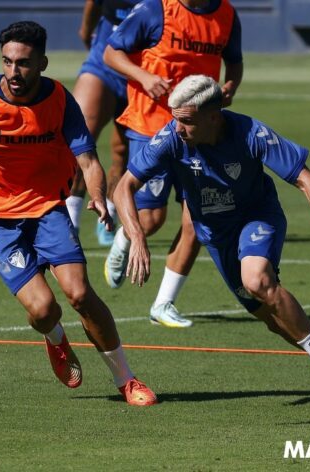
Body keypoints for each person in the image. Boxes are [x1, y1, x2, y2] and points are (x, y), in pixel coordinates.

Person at [0, 21, 156, 407]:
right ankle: (55, 337)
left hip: (46, 209)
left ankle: (126, 380)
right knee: (43, 310)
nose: (13, 72)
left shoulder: (58, 99)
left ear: (42, 62)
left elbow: (88, 159)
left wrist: (96, 195)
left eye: (23, 63)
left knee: (79, 294)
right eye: (7, 62)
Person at [114, 74, 310, 417]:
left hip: (257, 217)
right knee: (274, 321)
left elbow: (304, 177)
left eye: (187, 121)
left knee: (257, 280)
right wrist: (138, 238)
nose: (178, 128)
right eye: (176, 119)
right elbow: (123, 187)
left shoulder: (252, 133)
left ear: (213, 117)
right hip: (216, 236)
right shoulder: (171, 138)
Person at [102, 0, 244, 328]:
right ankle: (125, 238)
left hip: (198, 132)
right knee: (150, 219)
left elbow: (234, 62)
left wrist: (230, 87)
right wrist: (144, 76)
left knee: (197, 219)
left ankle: (163, 304)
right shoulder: (155, 10)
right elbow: (111, 53)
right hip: (151, 125)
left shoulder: (226, 14)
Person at [66, 0, 139, 246]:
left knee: (124, 152)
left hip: (142, 71)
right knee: (78, 139)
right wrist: (86, 32)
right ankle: (70, 217)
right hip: (104, 61)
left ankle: (109, 214)